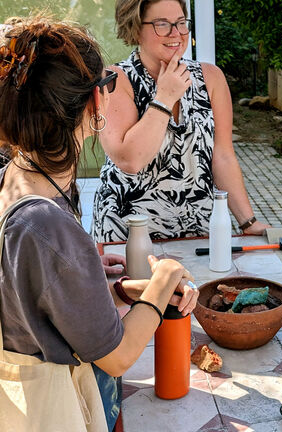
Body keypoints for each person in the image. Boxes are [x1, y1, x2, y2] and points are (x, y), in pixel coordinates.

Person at [0, 17, 198, 431]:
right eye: (108, 82)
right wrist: (165, 278)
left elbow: (34, 300)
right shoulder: (45, 224)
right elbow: (119, 354)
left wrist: (112, 287)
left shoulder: (14, 177)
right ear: (95, 102)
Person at [92, 0, 270, 242]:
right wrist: (164, 97)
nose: (176, 33)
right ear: (135, 29)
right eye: (162, 24)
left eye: (181, 23)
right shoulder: (115, 81)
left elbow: (223, 156)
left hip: (199, 232)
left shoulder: (211, 79)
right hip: (129, 237)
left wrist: (247, 222)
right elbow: (129, 160)